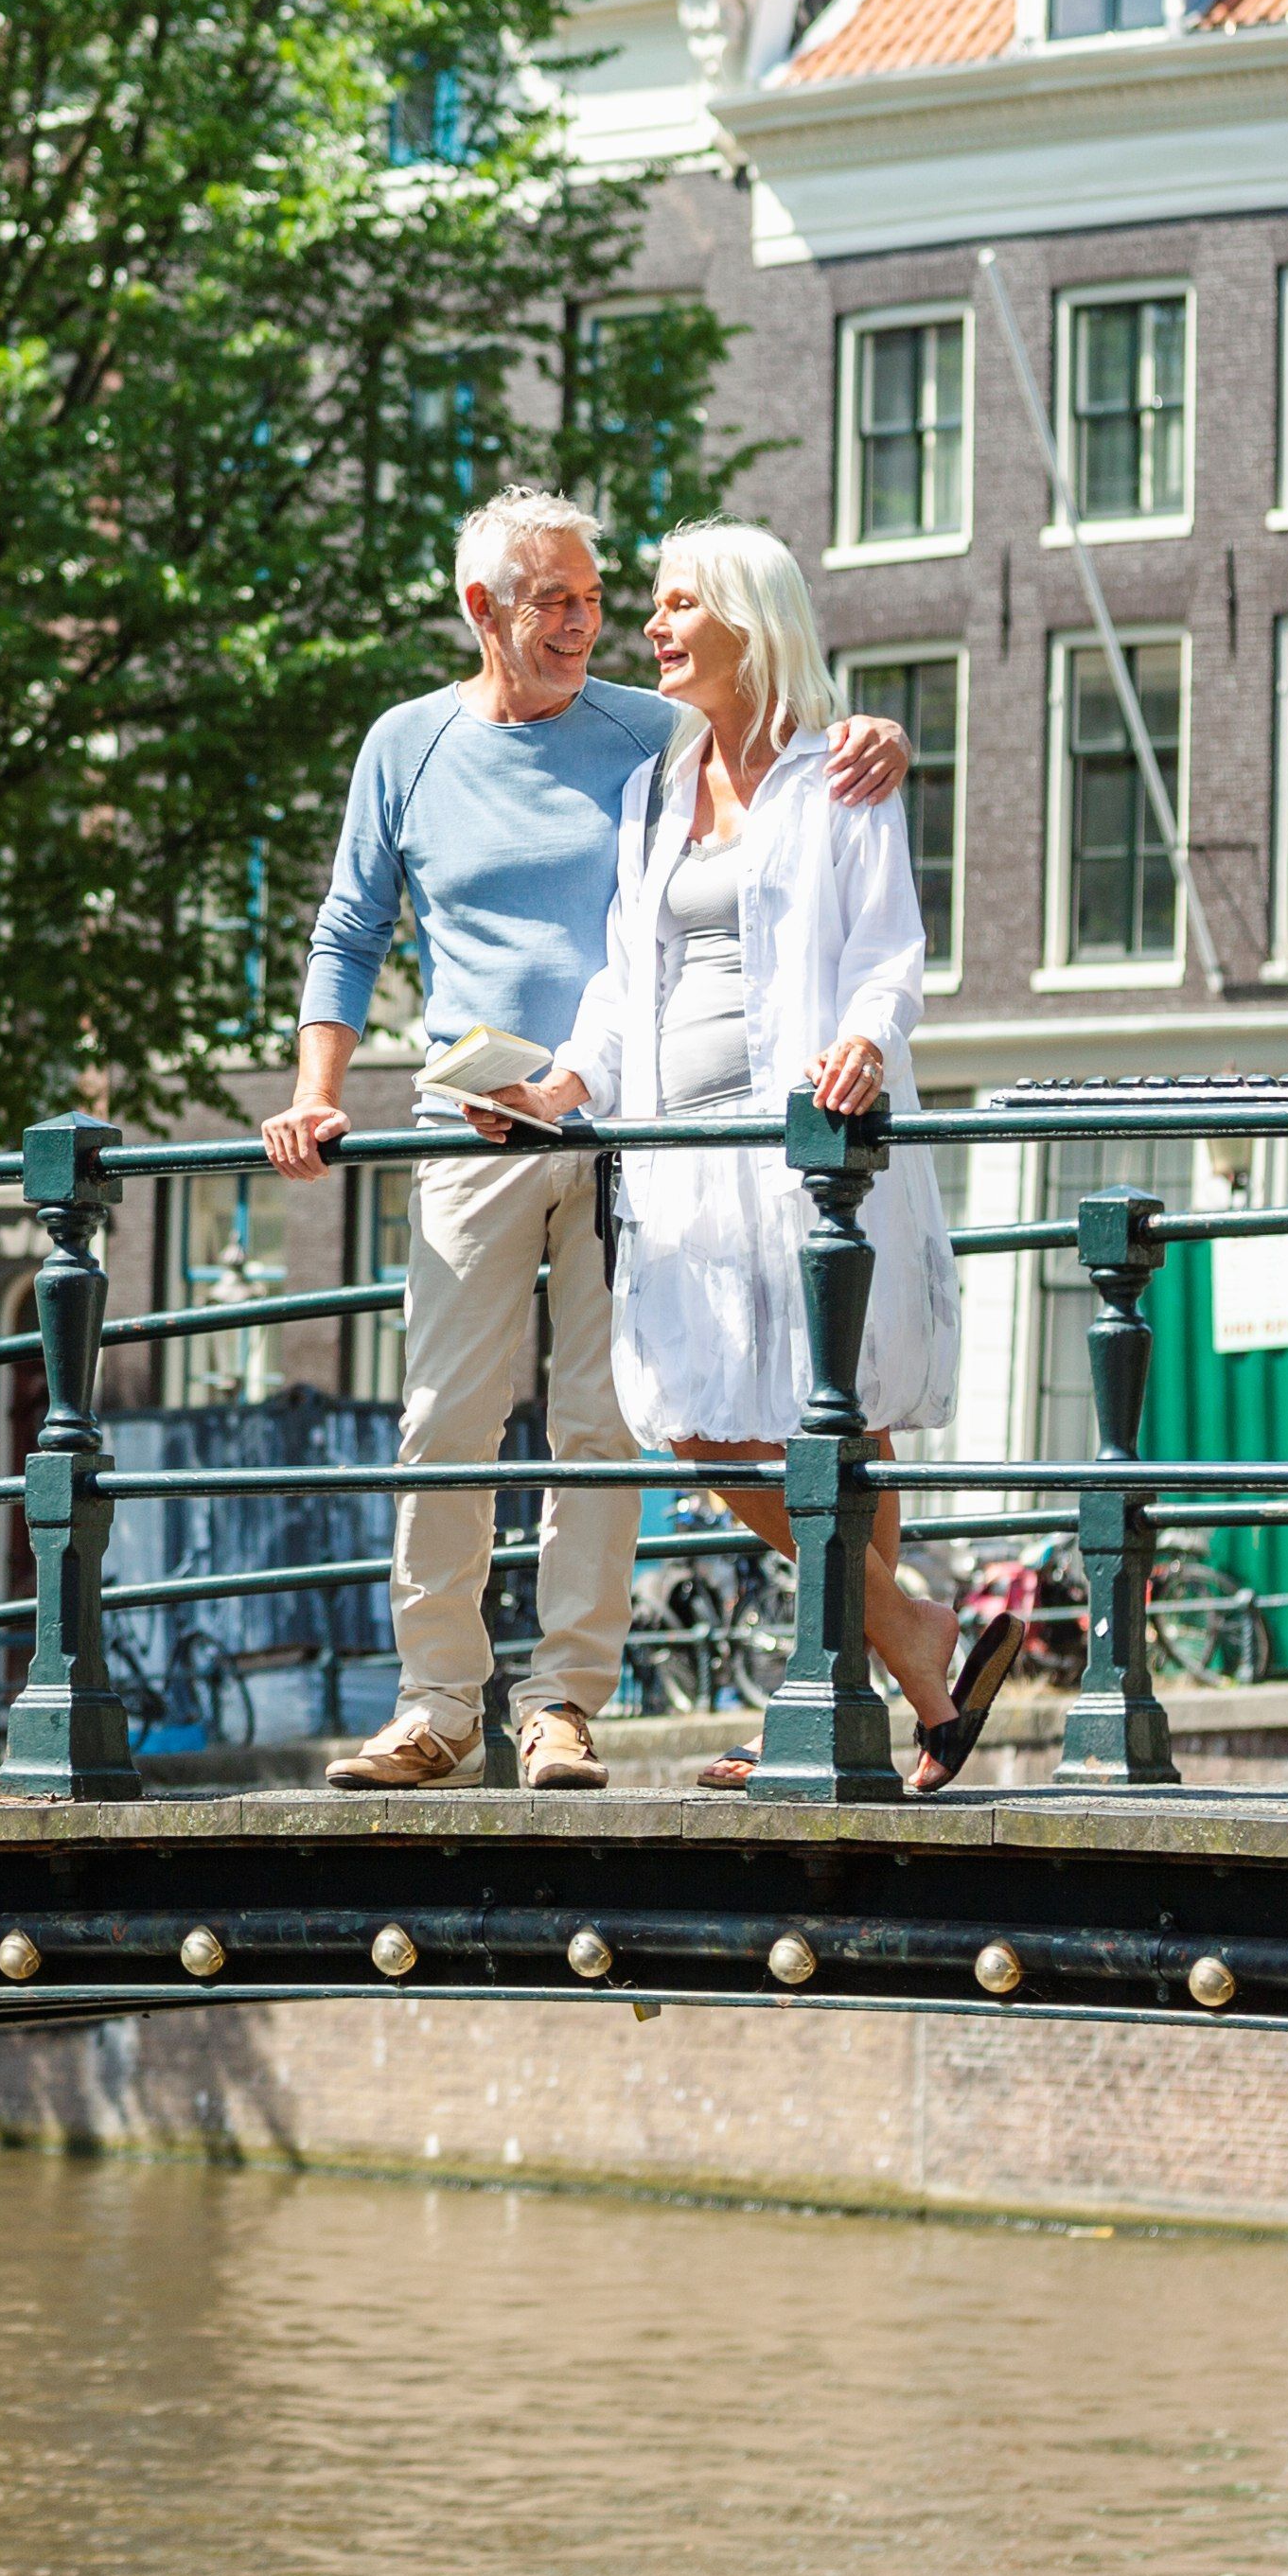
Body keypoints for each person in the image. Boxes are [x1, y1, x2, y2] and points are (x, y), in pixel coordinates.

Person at [266, 488, 910, 1791]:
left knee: (601, 1426)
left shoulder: (647, 731)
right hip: (470, 1124)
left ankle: (564, 1706)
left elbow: (781, 735)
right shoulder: (406, 746)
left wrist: (879, 734)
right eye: (552, 600)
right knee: (445, 1419)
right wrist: (315, 1090)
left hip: (628, 1127)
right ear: (479, 611)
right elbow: (349, 927)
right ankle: (440, 1703)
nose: (585, 624)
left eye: (595, 596)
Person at [489, 515, 1021, 1792]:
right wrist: (563, 1083)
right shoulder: (656, 791)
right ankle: (916, 1639)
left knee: (842, 1416)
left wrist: (861, 1042)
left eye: (679, 605)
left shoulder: (839, 767)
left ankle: (835, 1695)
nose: (654, 626)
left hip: (810, 1145)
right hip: (686, 1156)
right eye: (657, 606)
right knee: (697, 1419)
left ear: (748, 619)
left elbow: (891, 950)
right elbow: (628, 982)